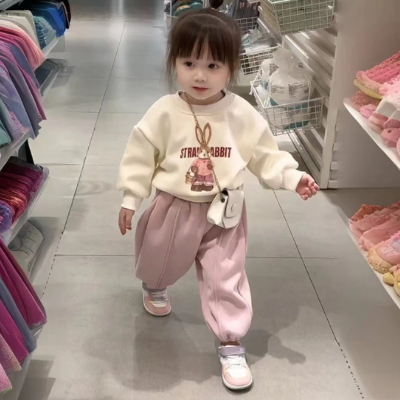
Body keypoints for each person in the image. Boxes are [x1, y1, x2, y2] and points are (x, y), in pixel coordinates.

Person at [117, 1, 319, 392]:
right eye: (189, 63)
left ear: (231, 67)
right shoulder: (164, 112)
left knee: (226, 275)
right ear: (174, 63)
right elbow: (140, 155)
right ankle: (154, 284)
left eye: (213, 65)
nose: (200, 75)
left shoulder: (241, 114)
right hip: (174, 207)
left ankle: (230, 341)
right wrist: (131, 197)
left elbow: (264, 154)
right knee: (159, 257)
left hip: (225, 211)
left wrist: (292, 177)